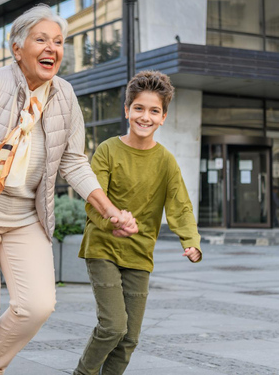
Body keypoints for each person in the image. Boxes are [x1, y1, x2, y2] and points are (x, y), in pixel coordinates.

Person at [0, 4, 137, 375]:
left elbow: (74, 161)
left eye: (58, 41)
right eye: (41, 39)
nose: (52, 48)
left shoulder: (65, 96)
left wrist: (109, 210)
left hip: (25, 217)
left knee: (37, 305)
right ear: (16, 47)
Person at [73, 71, 202, 375]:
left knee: (130, 337)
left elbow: (179, 204)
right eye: (139, 108)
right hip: (102, 247)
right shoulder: (107, 150)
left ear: (163, 117)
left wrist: (191, 240)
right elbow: (93, 199)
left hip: (140, 254)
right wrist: (113, 219)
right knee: (114, 326)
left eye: (154, 110)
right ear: (127, 111)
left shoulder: (166, 161)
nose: (146, 116)